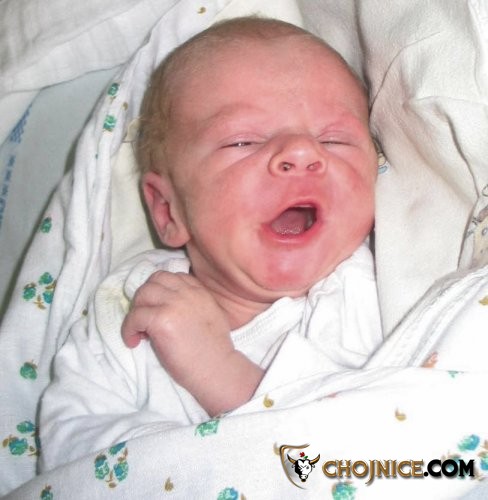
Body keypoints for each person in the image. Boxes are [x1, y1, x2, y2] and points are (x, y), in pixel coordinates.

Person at [39, 16, 382, 471]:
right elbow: (69, 454)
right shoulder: (135, 302)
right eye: (243, 141)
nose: (301, 152)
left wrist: (220, 372)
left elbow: (380, 454)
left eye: (334, 139)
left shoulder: (374, 295)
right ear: (168, 211)